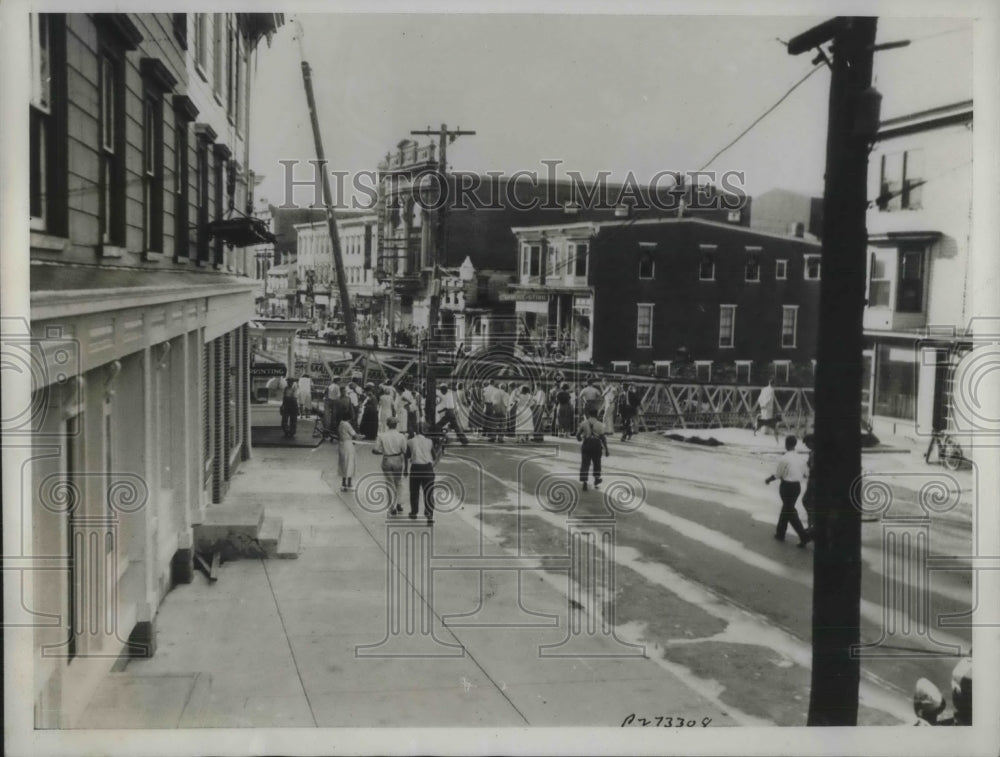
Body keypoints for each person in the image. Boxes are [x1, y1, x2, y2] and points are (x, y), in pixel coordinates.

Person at [765, 435, 811, 547]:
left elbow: (778, 474)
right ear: (795, 444)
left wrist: (769, 479)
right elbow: (806, 474)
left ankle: (803, 536)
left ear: (786, 444)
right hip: (797, 487)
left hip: (786, 487)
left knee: (789, 510)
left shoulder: (784, 458)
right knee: (787, 508)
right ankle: (780, 533)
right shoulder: (800, 458)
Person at [405, 421, 443, 524]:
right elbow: (434, 457)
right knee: (428, 492)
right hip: (427, 469)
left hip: (415, 468)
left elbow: (407, 456)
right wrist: (439, 448)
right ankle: (430, 515)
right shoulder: (430, 441)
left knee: (414, 491)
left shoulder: (410, 441)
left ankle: (414, 512)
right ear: (425, 431)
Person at [373, 416, 408, 514]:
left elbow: (375, 450)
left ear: (387, 425)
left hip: (387, 459)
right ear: (396, 425)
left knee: (389, 483)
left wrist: (383, 452)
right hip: (398, 460)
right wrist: (406, 467)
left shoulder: (382, 436)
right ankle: (399, 503)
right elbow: (405, 451)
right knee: (399, 482)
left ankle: (392, 506)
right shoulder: (401, 436)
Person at [577, 408, 610, 491]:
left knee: (585, 464)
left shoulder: (584, 423)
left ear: (589, 415)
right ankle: (596, 479)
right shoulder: (600, 424)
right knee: (597, 463)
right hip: (596, 445)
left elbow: (578, 435)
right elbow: (603, 438)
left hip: (586, 445)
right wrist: (606, 449)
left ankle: (584, 482)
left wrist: (580, 439)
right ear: (597, 415)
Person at [337, 416, 360, 491]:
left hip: (342, 444)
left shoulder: (340, 424)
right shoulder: (347, 425)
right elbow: (355, 435)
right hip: (348, 445)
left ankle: (343, 484)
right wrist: (362, 436)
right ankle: (349, 484)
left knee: (343, 464)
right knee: (350, 464)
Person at [801, 433, 817, 531]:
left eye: (807, 443)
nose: (806, 445)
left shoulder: (815, 453)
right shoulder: (812, 452)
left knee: (807, 501)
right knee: (808, 502)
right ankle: (812, 525)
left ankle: (813, 526)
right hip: (811, 480)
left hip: (814, 481)